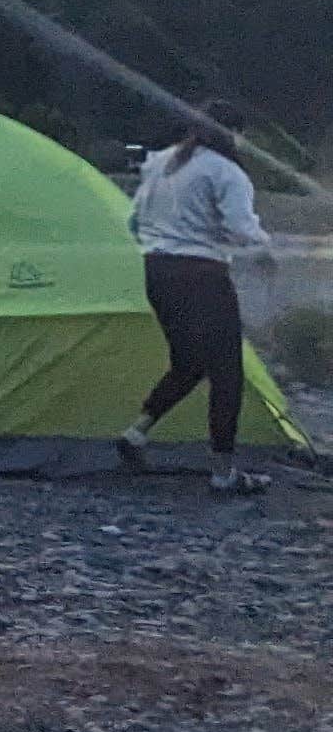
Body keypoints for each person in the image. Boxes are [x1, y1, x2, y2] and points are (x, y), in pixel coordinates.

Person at [120, 101, 272, 495]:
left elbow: (133, 220)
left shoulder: (160, 163)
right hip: (203, 277)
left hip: (157, 272)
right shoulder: (228, 173)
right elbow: (243, 231)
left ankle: (136, 434)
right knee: (227, 374)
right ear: (235, 133)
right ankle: (224, 472)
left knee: (188, 362)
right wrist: (264, 244)